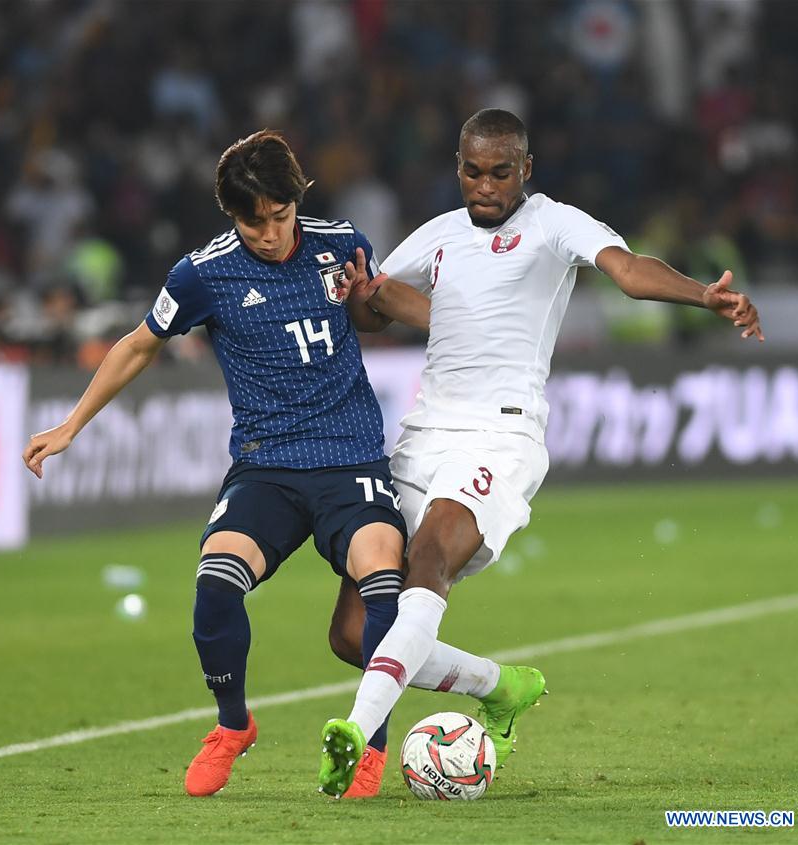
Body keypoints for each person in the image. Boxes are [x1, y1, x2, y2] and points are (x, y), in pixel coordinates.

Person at [22, 130, 543, 800]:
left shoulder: (340, 241)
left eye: (279, 215)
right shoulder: (202, 273)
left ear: (295, 202)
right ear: (230, 216)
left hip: (351, 463)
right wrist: (70, 424)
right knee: (215, 583)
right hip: (265, 467)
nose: (269, 234)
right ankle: (232, 724)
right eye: (253, 222)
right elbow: (137, 345)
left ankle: (371, 747)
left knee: (382, 586)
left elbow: (374, 309)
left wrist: (420, 313)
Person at [318, 108, 763, 796]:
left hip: (502, 432)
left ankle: (356, 729)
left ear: (525, 170)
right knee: (351, 632)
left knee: (429, 556)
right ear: (457, 167)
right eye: (473, 170)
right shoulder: (437, 236)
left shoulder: (553, 223)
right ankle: (502, 686)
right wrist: (362, 296)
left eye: (501, 171)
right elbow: (375, 304)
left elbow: (628, 269)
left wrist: (702, 295)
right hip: (422, 435)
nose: (486, 185)